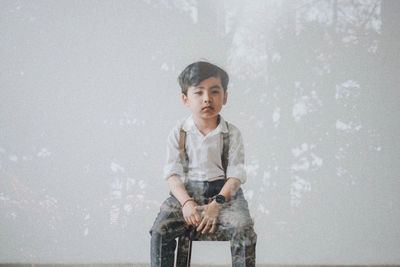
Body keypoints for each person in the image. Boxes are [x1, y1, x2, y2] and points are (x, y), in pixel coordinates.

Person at [149, 61, 257, 267]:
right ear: (185, 99)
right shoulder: (178, 132)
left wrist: (217, 204)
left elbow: (235, 176)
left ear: (225, 97)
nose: (207, 98)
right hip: (186, 193)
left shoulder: (232, 133)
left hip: (224, 193)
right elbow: (172, 176)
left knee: (243, 228)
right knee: (160, 230)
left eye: (214, 91)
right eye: (198, 92)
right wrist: (187, 203)